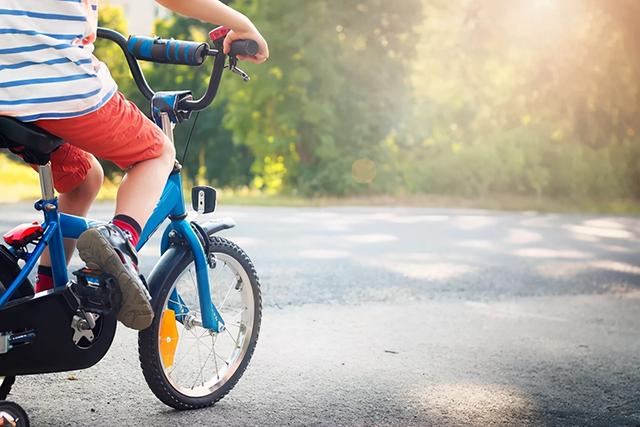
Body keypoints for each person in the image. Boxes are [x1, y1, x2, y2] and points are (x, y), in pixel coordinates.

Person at [0, 0, 269, 330]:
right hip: (52, 81)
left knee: (83, 177)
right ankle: (119, 241)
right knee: (156, 152)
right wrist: (240, 22)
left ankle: (46, 306)